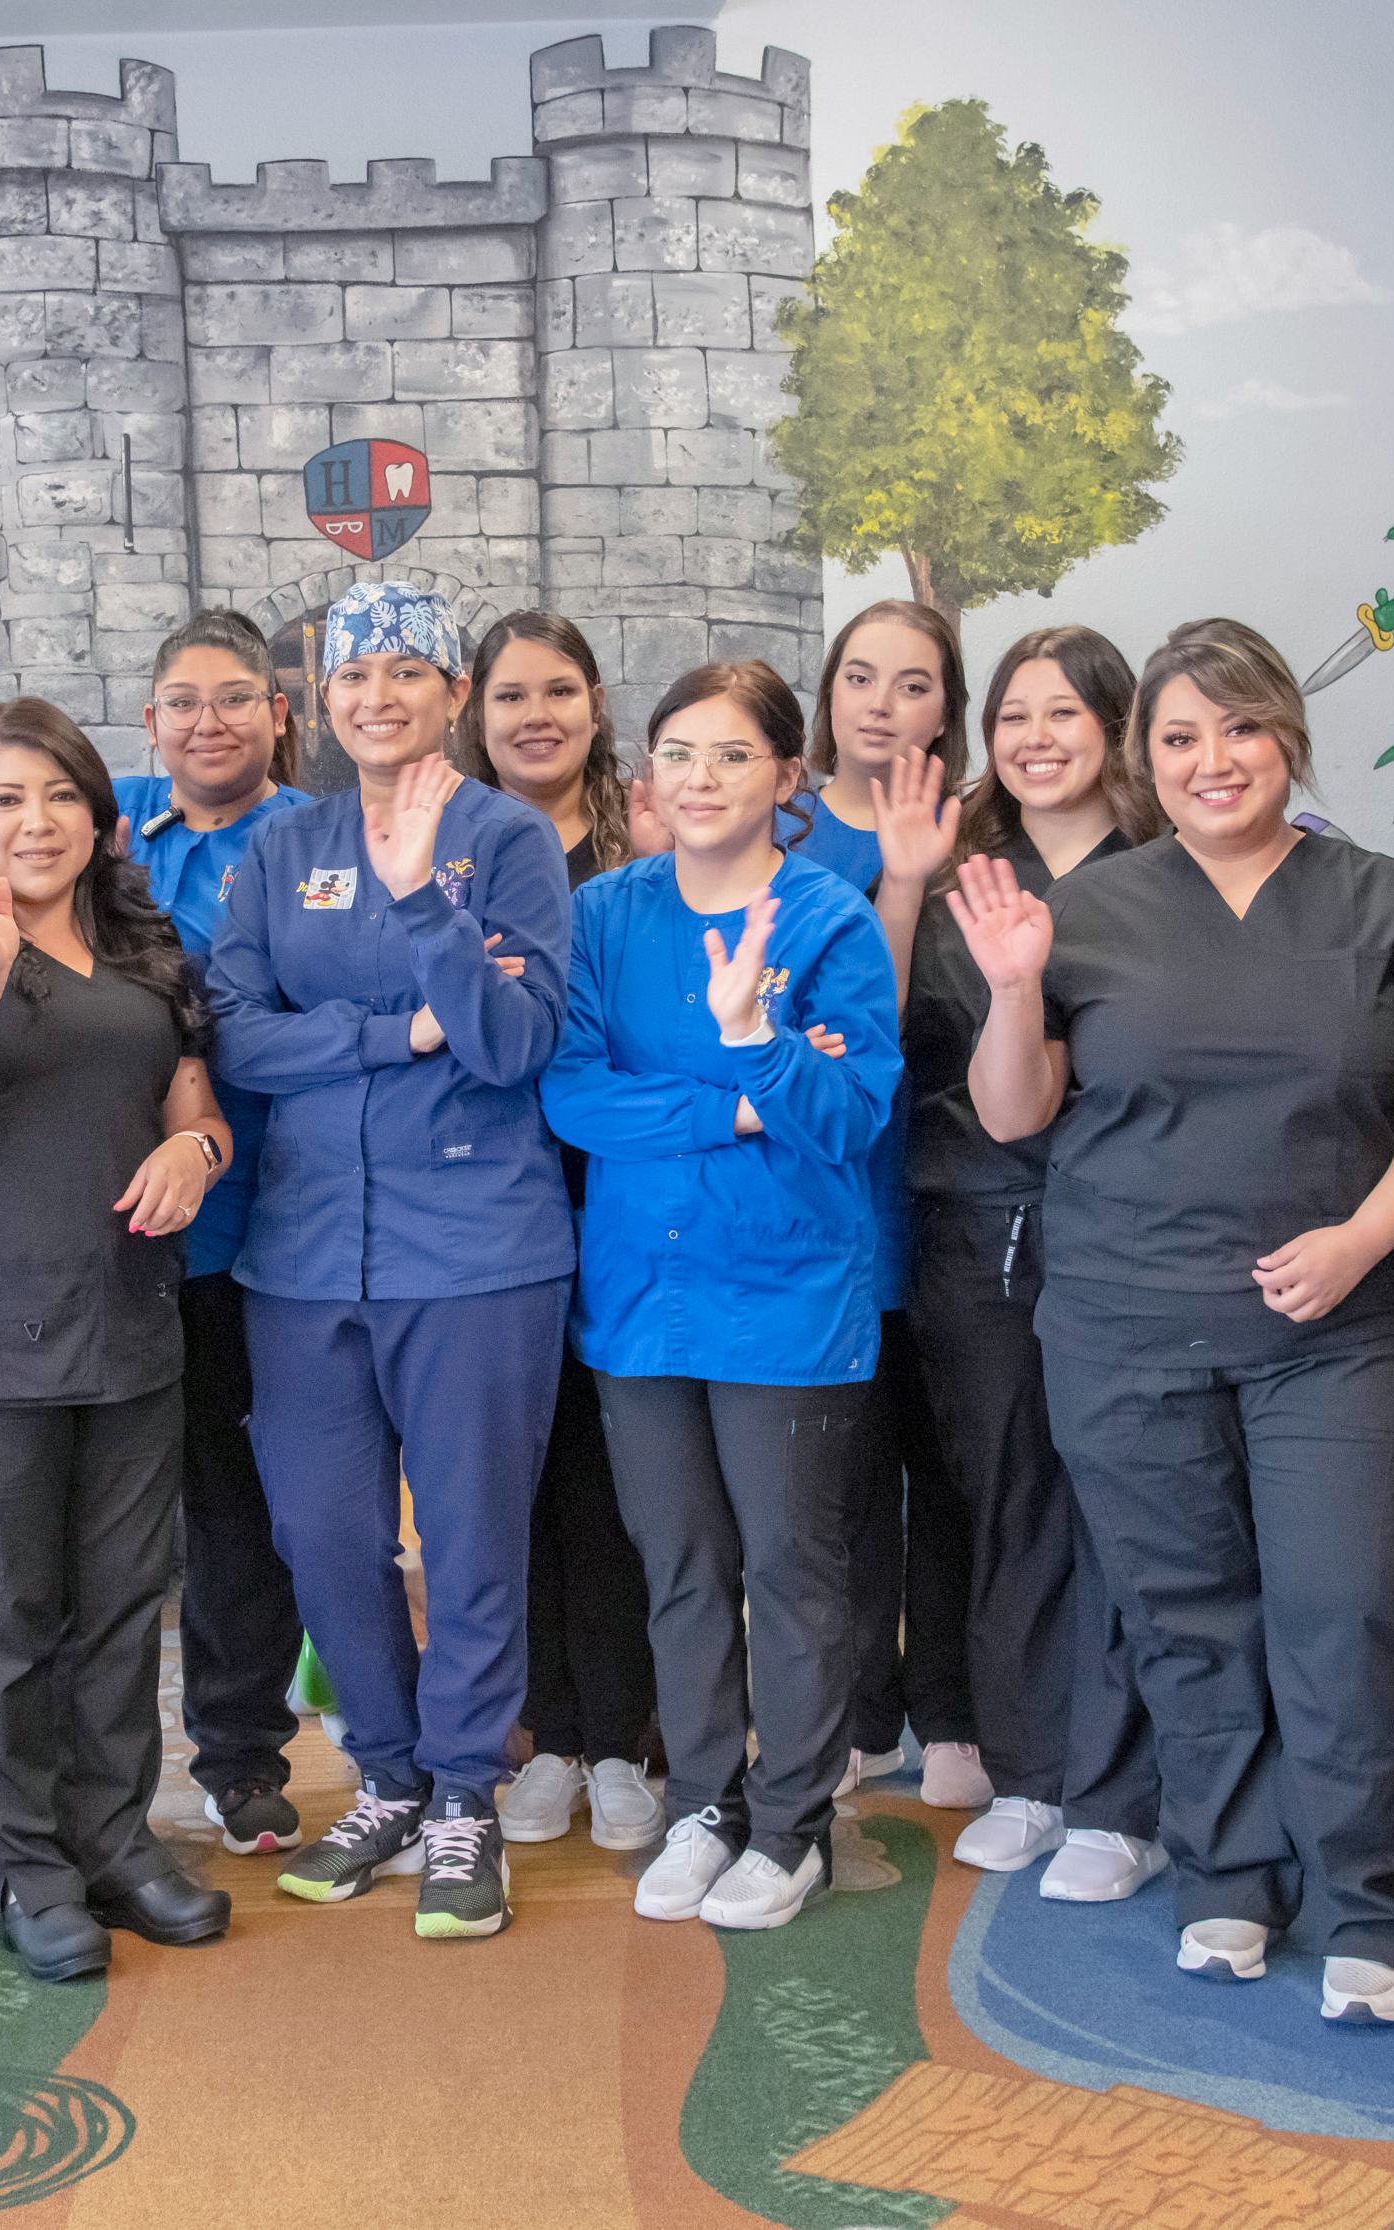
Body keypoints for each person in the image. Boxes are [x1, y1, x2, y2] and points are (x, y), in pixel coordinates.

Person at [959, 618, 1394, 2026]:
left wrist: (1366, 1235)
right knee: (1186, 1619)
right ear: (1147, 759)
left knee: (1347, 1614)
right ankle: (1232, 1878)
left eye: (1237, 728)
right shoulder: (1093, 910)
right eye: (1177, 738)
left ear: (1286, 736)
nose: (1210, 761)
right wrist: (1011, 986)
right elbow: (1015, 1110)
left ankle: (1370, 1903)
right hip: (1123, 1323)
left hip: (1339, 1328)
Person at [206, 579, 576, 1942]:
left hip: (478, 1250)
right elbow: (237, 1036)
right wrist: (392, 1030)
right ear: (321, 696)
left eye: (410, 672)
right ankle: (391, 1771)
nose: (381, 696)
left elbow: (511, 1042)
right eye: (356, 676)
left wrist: (427, 914)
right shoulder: (277, 846)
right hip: (302, 1257)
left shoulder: (508, 838)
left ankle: (467, 1791)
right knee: (320, 1534)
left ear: (452, 695)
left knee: (474, 1537)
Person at [0, 697, 237, 1983]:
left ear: (100, 816)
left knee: (124, 1611)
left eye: (60, 794)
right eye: (5, 797)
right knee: (7, 1617)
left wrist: (197, 1142)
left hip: (129, 1327)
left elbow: (191, 1092)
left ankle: (114, 1841)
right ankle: (28, 1866)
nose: (36, 820)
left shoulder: (138, 939)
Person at [546, 661, 901, 1931]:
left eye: (732, 755)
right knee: (681, 1564)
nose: (699, 779)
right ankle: (703, 1797)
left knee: (792, 1567)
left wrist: (757, 1038)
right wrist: (739, 1100)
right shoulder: (603, 916)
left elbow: (851, 1115)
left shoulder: (828, 920)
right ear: (647, 775)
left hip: (787, 1294)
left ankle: (793, 1820)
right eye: (678, 754)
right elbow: (570, 1092)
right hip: (641, 1294)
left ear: (786, 778)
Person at [871, 626, 1165, 1897]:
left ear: (1116, 725)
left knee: (1138, 1512)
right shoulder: (951, 869)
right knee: (1010, 1505)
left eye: (1063, 713)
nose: (1035, 740)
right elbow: (873, 1040)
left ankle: (1131, 1788)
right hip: (974, 1227)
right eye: (1013, 718)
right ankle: (1038, 1771)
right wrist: (899, 883)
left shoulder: (1171, 872)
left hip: (1135, 1230)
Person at [456, 610, 664, 1854]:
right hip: (487, 1204)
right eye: (510, 694)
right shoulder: (449, 846)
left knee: (619, 1478)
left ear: (596, 702)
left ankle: (628, 1738)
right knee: (515, 1482)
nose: (535, 714)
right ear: (474, 713)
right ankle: (552, 1738)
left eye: (560, 690)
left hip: (629, 1195)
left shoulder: (647, 847)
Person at [116, 611, 313, 1857]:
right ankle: (88, 1773)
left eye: (234, 698)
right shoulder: (107, 832)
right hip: (111, 1231)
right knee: (112, 1519)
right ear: (150, 725)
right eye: (183, 702)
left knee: (244, 1512)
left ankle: (241, 1757)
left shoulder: (319, 843)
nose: (208, 722)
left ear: (279, 714)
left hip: (269, 1233)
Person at [800, 600, 988, 1809]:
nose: (881, 702)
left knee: (959, 1468)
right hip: (828, 1204)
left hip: (965, 1193)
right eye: (858, 677)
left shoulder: (992, 836)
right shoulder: (780, 836)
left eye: (912, 684)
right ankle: (866, 1708)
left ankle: (959, 1711)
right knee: (848, 1483)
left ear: (948, 712)